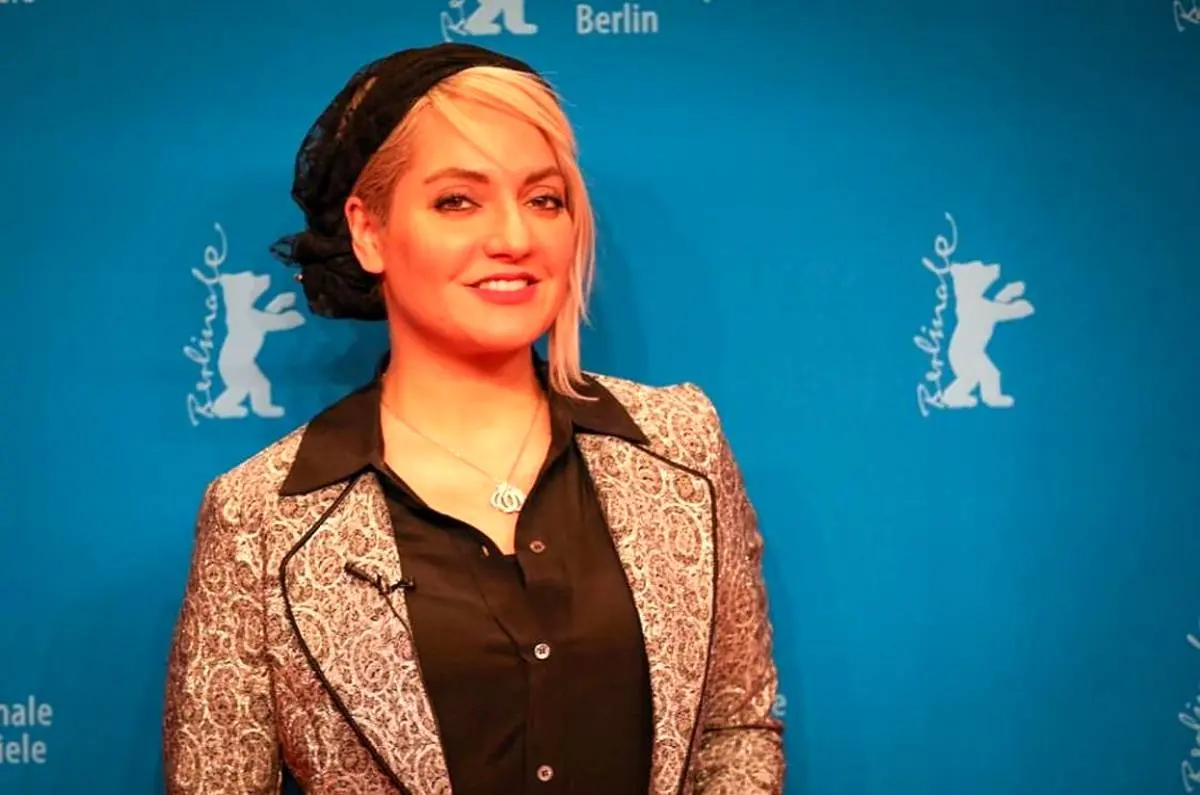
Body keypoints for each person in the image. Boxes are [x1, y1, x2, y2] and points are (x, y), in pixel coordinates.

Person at [162, 42, 784, 795]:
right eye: (457, 200)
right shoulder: (259, 519)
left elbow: (733, 729)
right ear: (368, 231)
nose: (515, 238)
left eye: (544, 199)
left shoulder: (682, 445)